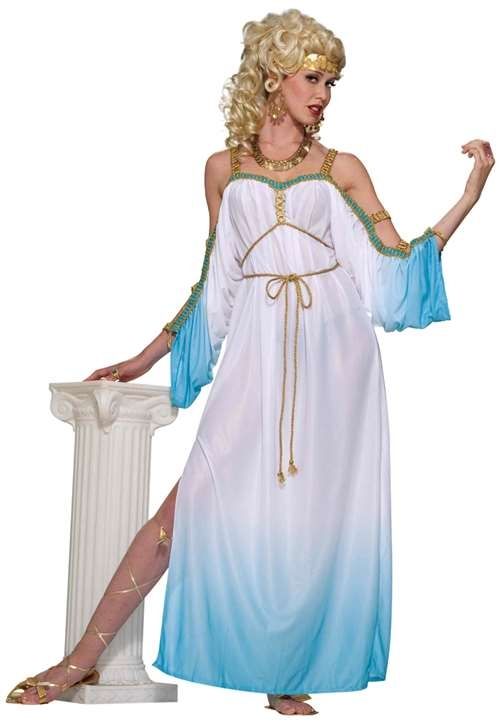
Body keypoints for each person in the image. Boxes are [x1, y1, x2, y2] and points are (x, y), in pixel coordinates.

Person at [6, 7, 494, 716]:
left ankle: (284, 675)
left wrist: (469, 198)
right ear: (272, 78)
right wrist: (145, 355)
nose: (324, 94)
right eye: (312, 78)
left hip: (336, 364)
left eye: (331, 82)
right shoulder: (222, 170)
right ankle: (78, 660)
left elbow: (395, 269)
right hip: (257, 358)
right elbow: (216, 282)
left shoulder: (342, 169)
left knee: (306, 522)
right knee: (184, 512)